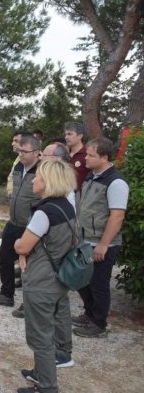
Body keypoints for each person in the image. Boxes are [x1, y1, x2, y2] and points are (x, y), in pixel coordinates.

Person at [14, 159, 77, 393]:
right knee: (47, 331)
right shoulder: (66, 207)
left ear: (48, 182)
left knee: (40, 336)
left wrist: (18, 249)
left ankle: (48, 390)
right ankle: (40, 374)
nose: (33, 180)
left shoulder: (44, 211)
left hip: (41, 281)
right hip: (58, 278)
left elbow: (23, 244)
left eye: (38, 176)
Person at [73, 137, 129, 338]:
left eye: (91, 155)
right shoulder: (90, 176)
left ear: (104, 157)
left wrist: (104, 244)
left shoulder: (116, 182)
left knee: (98, 284)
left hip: (102, 244)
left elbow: (117, 215)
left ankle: (98, 324)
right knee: (81, 280)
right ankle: (89, 314)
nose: (85, 158)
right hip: (85, 240)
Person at [0, 135, 41, 308]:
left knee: (31, 265)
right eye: (20, 151)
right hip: (13, 222)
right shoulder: (18, 166)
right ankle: (6, 294)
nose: (21, 154)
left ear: (37, 152)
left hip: (31, 226)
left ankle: (30, 303)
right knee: (5, 259)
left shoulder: (42, 171)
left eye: (25, 151)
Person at [64, 122, 90, 188]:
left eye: (70, 134)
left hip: (81, 196)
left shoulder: (88, 154)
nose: (66, 137)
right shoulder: (63, 154)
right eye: (66, 134)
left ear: (80, 136)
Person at [5, 130, 29, 197]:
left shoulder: (35, 159)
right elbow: (11, 177)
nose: (12, 144)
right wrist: (10, 193)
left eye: (16, 141)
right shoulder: (18, 158)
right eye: (13, 141)